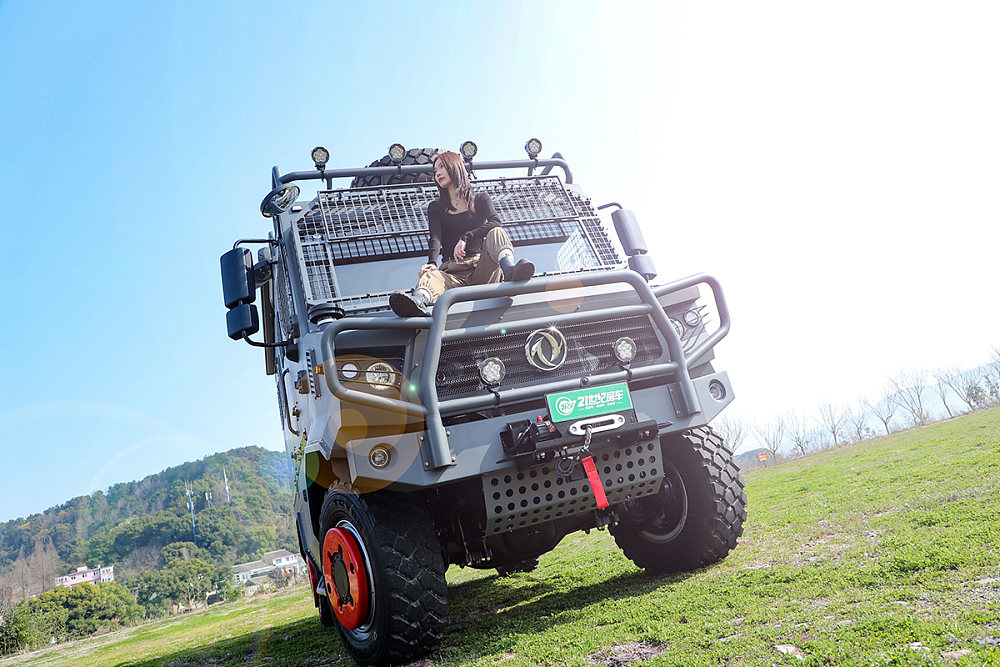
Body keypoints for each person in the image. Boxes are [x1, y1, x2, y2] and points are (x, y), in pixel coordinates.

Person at [389, 151, 534, 317]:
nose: (437, 173)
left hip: (482, 270)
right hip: (453, 274)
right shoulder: (435, 207)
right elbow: (435, 237)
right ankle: (419, 300)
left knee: (496, 232)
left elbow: (496, 222)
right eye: (435, 171)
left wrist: (466, 237)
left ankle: (509, 271)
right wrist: (431, 262)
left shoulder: (480, 199)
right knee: (431, 275)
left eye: (442, 167)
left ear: (455, 167)